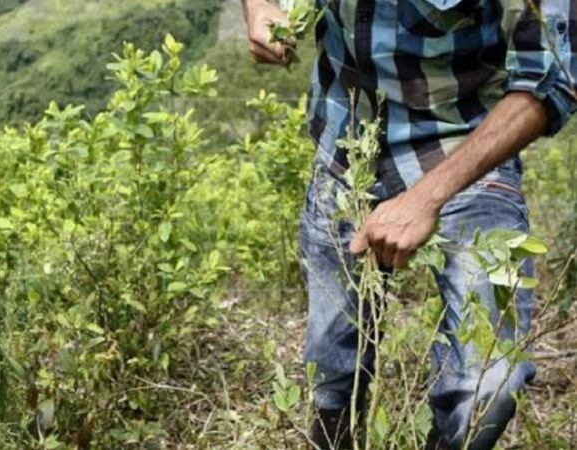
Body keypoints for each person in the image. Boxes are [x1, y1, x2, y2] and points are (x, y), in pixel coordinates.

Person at [241, 0, 577, 449]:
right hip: (345, 145)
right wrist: (260, 8)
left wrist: (426, 196)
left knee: (490, 381)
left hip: (468, 150)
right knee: (330, 369)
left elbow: (553, 79)